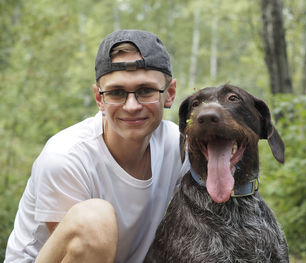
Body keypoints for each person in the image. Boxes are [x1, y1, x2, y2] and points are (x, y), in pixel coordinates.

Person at [5, 29, 189, 263]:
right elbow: (86, 255)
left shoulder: (177, 144)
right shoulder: (66, 157)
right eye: (116, 92)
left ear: (170, 93)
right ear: (100, 99)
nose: (131, 106)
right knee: (94, 219)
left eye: (145, 91)